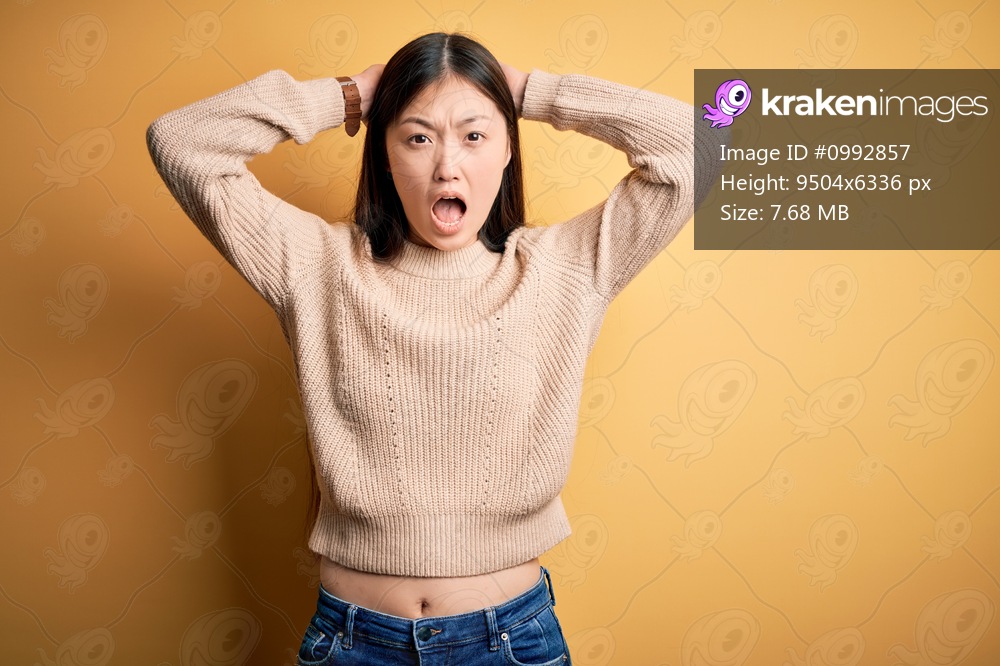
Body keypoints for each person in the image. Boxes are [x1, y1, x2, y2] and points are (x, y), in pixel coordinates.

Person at [147, 31, 694, 666]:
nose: (447, 165)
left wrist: (530, 93)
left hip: (508, 643)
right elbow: (181, 142)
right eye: (417, 136)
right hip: (354, 643)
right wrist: (347, 97)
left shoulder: (565, 269)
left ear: (508, 150)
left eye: (474, 135)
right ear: (383, 155)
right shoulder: (317, 265)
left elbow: (699, 140)